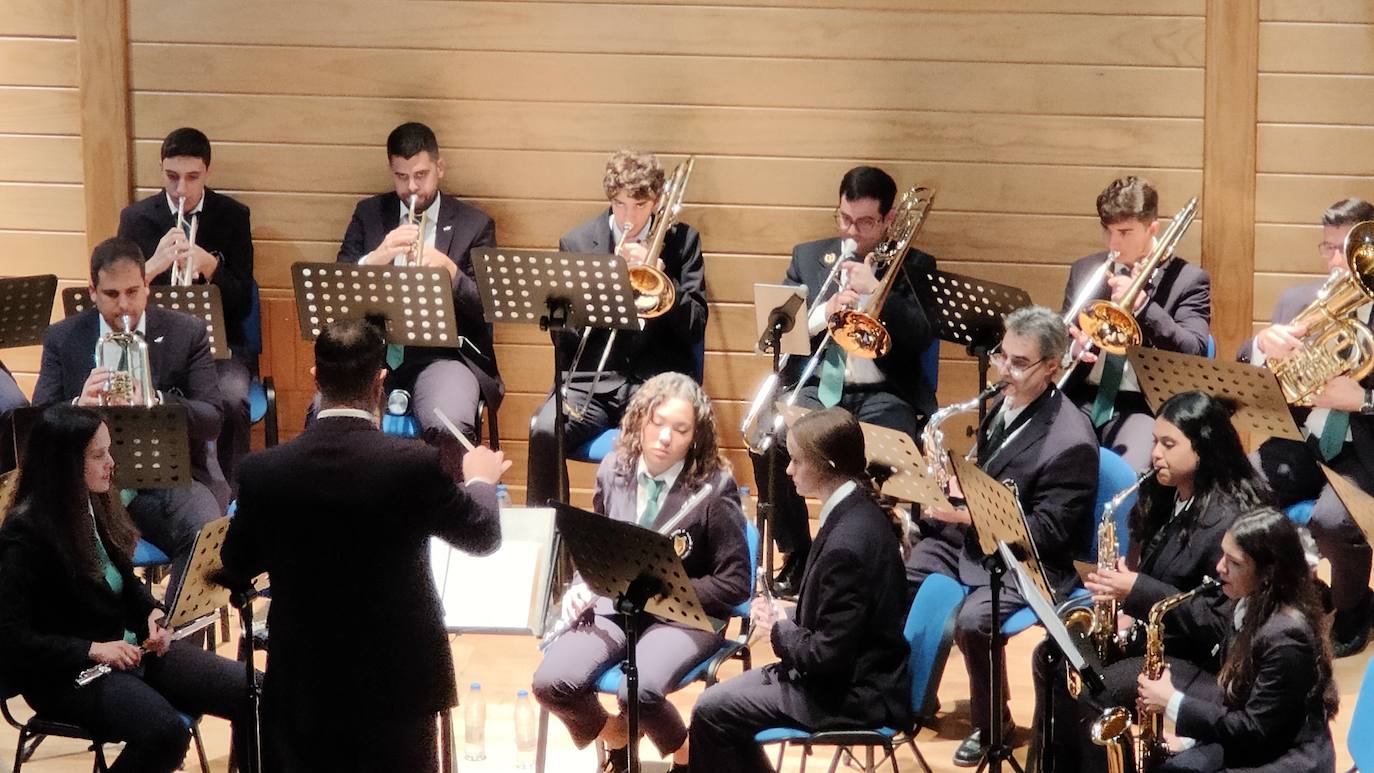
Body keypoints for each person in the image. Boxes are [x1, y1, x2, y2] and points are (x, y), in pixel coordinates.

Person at [219, 317, 509, 773]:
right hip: (398, 685)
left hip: (303, 683)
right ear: (380, 381)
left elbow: (236, 562)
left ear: (315, 377)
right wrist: (479, 480)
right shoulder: (414, 465)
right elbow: (482, 535)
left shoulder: (264, 471)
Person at [0, 404, 248, 773]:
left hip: (129, 651)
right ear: (65, 465)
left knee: (252, 691)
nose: (112, 463)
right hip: (65, 674)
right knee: (164, 734)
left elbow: (123, 580)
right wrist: (93, 649)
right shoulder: (24, 536)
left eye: (109, 451)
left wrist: (152, 613)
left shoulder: (95, 502)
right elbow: (12, 638)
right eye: (98, 455)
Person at [1032, 391, 1270, 772]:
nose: (1156, 453)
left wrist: (1136, 590)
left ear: (1203, 448)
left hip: (1202, 659)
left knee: (1098, 689)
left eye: (1169, 444)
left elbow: (1219, 623)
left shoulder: (1228, 522)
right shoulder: (1166, 495)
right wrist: (1122, 602)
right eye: (1155, 441)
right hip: (1155, 636)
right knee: (1053, 656)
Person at [904, 305, 1098, 768]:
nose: (1004, 370)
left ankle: (994, 725)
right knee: (905, 572)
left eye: (1018, 362)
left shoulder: (1070, 440)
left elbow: (1048, 533)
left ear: (1052, 367)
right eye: (1001, 356)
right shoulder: (1007, 404)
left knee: (976, 620)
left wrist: (966, 515)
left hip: (1031, 560)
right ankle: (912, 692)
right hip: (980, 538)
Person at [532, 372, 749, 773]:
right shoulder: (614, 468)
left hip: (687, 616)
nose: (665, 437)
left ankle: (689, 758)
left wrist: (664, 590)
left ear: (695, 437)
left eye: (680, 429)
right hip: (617, 605)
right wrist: (582, 585)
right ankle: (618, 736)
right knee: (552, 682)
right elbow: (597, 546)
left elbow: (735, 584)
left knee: (639, 691)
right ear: (639, 420)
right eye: (658, 422)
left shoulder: (714, 487)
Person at [688, 408, 911, 773]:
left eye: (796, 461)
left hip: (851, 696)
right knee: (716, 706)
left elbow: (825, 656)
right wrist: (788, 615)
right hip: (850, 678)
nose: (788, 470)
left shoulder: (847, 543)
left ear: (827, 465)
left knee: (712, 712)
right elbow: (842, 619)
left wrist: (780, 629)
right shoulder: (855, 509)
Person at [751, 165, 937, 595]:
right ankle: (798, 553)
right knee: (769, 439)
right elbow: (778, 331)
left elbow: (922, 336)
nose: (852, 232)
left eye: (865, 222)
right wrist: (825, 311)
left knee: (891, 447)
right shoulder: (808, 257)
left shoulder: (916, 265)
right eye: (845, 219)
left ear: (889, 219)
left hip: (885, 393)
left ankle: (878, 556)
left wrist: (874, 292)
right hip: (820, 389)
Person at [33, 237, 225, 595]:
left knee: (204, 532)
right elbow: (37, 423)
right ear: (92, 292)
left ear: (147, 286)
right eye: (111, 294)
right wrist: (77, 406)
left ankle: (172, 629)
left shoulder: (187, 332)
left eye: (133, 292)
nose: (124, 305)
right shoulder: (63, 337)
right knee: (41, 538)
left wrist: (155, 399)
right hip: (88, 487)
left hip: (166, 480)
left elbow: (212, 417)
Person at [525, 149, 707, 507]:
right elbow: (566, 340)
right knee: (543, 429)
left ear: (657, 201)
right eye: (620, 205)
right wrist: (593, 294)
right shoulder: (577, 244)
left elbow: (696, 325)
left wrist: (662, 279)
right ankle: (550, 526)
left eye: (639, 206)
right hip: (592, 381)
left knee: (657, 443)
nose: (629, 217)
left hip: (655, 382)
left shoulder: (683, 242)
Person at [1241, 197, 1374, 657]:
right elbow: (1249, 370)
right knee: (1239, 486)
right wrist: (1262, 345)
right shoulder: (1299, 301)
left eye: (1344, 250)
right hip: (1302, 440)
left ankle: (1355, 606)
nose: (1334, 262)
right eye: (1327, 248)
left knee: (1332, 521)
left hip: (1363, 449)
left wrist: (1363, 400)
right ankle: (1291, 591)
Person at [336, 121, 503, 447]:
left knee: (449, 426)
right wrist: (377, 257)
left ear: (439, 168)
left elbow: (487, 306)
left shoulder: (474, 225)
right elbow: (339, 285)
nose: (412, 187)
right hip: (374, 353)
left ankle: (446, 484)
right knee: (331, 416)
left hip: (444, 357)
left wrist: (451, 271)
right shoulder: (369, 214)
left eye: (421, 175)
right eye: (401, 176)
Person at [1137, 508, 1338, 772]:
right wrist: (1192, 739)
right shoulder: (1248, 602)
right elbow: (1237, 698)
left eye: (1235, 563)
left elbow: (1255, 730)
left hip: (1286, 759)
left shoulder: (1287, 637)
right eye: (1223, 555)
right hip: (1253, 742)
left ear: (1268, 573)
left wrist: (1172, 703)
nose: (1220, 567)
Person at [118, 127, 255, 491]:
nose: (181, 189)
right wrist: (152, 266)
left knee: (232, 399)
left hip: (219, 348)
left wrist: (211, 267)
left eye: (192, 177)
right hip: (154, 346)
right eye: (172, 177)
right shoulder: (136, 219)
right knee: (127, 395)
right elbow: (118, 296)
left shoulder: (233, 216)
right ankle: (144, 487)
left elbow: (243, 302)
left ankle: (236, 495)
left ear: (207, 172)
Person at [1061, 176, 1212, 469]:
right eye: (1107, 230)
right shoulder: (1085, 270)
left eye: (1124, 232)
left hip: (1143, 405)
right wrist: (1073, 349)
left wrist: (1144, 306)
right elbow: (1062, 333)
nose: (1113, 243)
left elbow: (1194, 350)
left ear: (1152, 228)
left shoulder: (1188, 280)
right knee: (1052, 459)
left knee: (1126, 473)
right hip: (1082, 396)